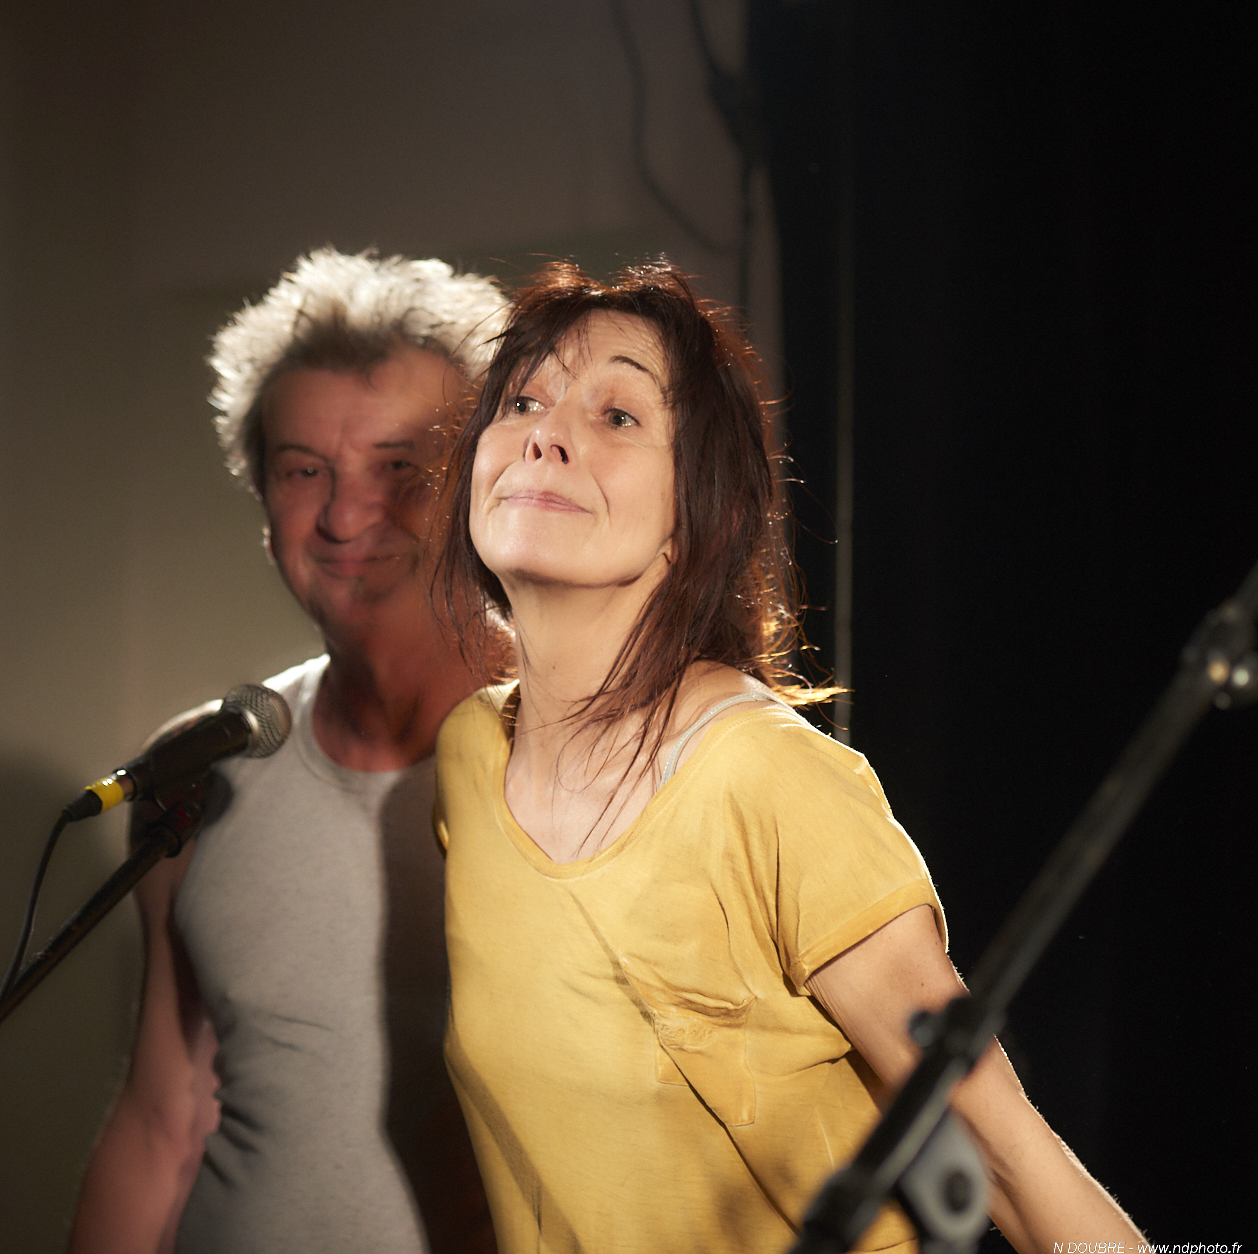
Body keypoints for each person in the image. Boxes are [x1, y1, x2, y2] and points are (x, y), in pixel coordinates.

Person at [431, 262, 1145, 1254]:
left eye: (619, 415)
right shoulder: (469, 759)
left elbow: (1009, 1159)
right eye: (521, 401)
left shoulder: (767, 780)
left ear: (700, 513)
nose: (544, 434)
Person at [69, 248, 505, 1254]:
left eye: (400, 469)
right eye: (305, 470)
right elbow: (162, 1121)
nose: (347, 516)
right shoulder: (199, 769)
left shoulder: (589, 754)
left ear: (485, 484)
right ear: (264, 502)